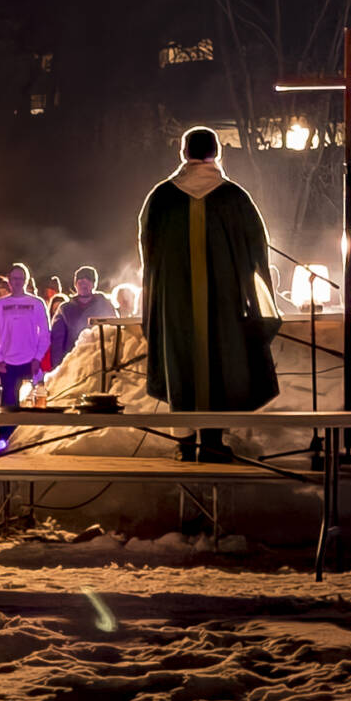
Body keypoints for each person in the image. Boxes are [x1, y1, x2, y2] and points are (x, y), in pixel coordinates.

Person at [137, 125, 281, 462]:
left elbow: (149, 253)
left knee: (182, 366)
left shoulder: (161, 198)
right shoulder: (235, 198)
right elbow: (257, 254)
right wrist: (256, 303)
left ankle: (185, 445)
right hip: (224, 305)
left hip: (174, 306)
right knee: (220, 364)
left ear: (184, 153)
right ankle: (214, 442)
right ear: (216, 153)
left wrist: (159, 297)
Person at [0, 263, 54, 409]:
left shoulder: (36, 303)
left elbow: (44, 333)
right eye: (14, 278)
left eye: (21, 279)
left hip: (30, 363)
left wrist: (38, 358)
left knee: (29, 407)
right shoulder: (0, 304)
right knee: (8, 407)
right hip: (7, 364)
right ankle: (6, 432)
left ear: (26, 280)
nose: (17, 282)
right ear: (9, 280)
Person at [48, 265, 117, 372]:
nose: (84, 284)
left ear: (94, 284)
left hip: (99, 361)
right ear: (75, 284)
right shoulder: (65, 309)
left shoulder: (105, 305)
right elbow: (57, 340)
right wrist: (58, 367)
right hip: (72, 362)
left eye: (88, 281)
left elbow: (114, 333)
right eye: (80, 282)